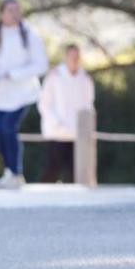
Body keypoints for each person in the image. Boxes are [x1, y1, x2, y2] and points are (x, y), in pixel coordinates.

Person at [0, 0, 48, 188]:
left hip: (23, 93)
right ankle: (8, 171)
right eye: (10, 10)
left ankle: (15, 172)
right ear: (2, 13)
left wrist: (14, 74)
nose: (14, 14)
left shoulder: (29, 34)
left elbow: (41, 64)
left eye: (17, 10)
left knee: (8, 128)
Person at [38, 43, 93, 183]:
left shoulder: (85, 78)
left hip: (77, 135)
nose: (74, 60)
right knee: (51, 171)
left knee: (76, 175)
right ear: (65, 57)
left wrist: (85, 128)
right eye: (71, 56)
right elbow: (44, 104)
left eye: (77, 57)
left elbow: (88, 105)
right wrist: (56, 123)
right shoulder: (54, 76)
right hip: (57, 133)